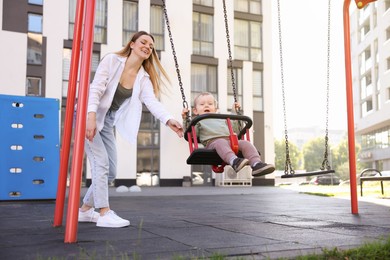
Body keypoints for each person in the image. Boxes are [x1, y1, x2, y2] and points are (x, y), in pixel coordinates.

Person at [78, 31, 184, 228]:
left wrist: (169, 120)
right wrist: (90, 116)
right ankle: (104, 213)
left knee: (111, 171)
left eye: (151, 46)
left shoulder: (142, 77)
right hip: (89, 115)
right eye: (144, 42)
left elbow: (151, 102)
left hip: (107, 121)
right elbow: (96, 89)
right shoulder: (112, 60)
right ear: (132, 44)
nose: (147, 47)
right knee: (100, 164)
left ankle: (85, 210)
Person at [182, 92, 275, 176]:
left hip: (231, 141)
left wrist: (235, 112)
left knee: (245, 143)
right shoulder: (198, 122)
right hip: (212, 143)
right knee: (220, 142)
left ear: (216, 109)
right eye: (202, 104)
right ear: (195, 111)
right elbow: (190, 134)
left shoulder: (223, 119)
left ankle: (256, 164)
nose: (206, 106)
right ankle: (234, 161)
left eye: (210, 104)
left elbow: (235, 128)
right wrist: (186, 119)